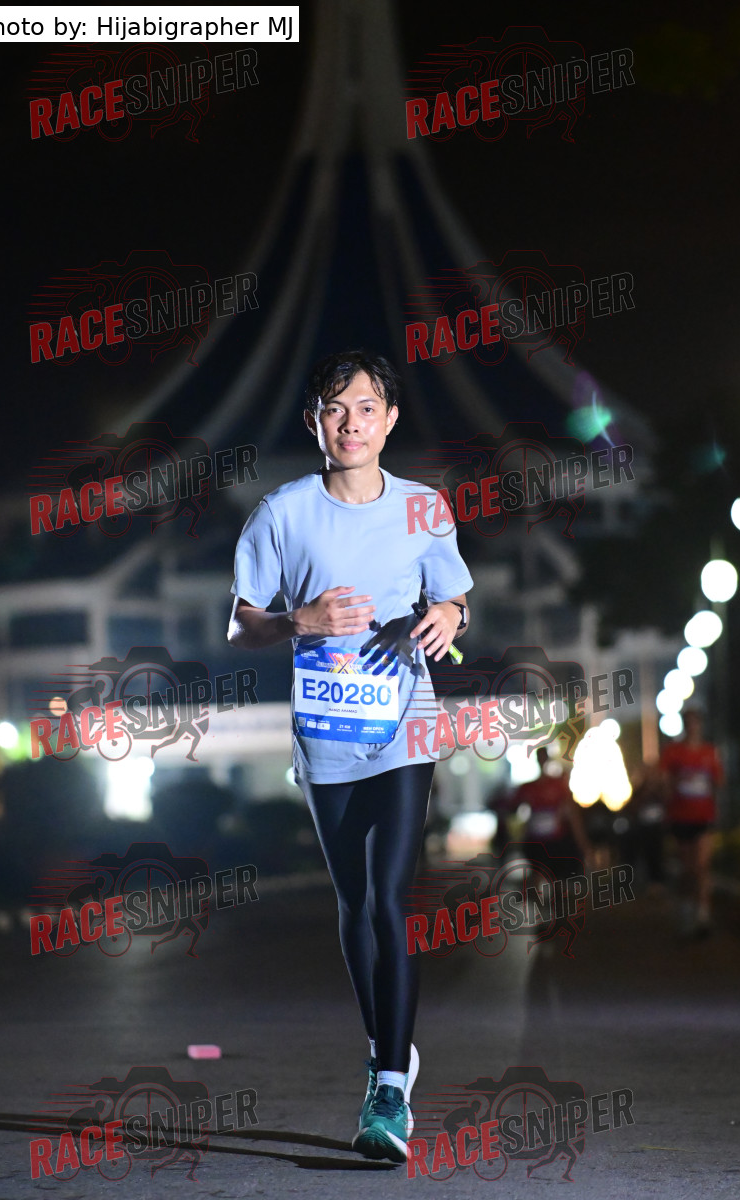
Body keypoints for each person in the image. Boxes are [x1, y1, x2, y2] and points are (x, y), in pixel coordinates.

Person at [227, 350, 473, 1162]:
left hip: (405, 720)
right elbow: (241, 624)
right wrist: (299, 621)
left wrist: (449, 615)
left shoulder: (424, 507)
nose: (351, 423)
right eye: (335, 410)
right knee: (355, 901)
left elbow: (454, 596)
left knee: (390, 898)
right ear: (314, 422)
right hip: (326, 732)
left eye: (367, 408)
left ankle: (388, 1089)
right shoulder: (282, 514)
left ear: (390, 420)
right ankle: (387, 1048)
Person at [659, 707, 722, 937]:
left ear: (701, 725)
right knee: (687, 869)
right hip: (681, 816)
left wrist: (716, 806)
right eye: (689, 722)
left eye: (696, 722)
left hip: (704, 817)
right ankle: (686, 910)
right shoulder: (673, 752)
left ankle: (703, 914)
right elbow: (663, 781)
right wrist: (672, 789)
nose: (693, 727)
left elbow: (717, 782)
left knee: (702, 866)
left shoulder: (709, 752)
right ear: (684, 725)